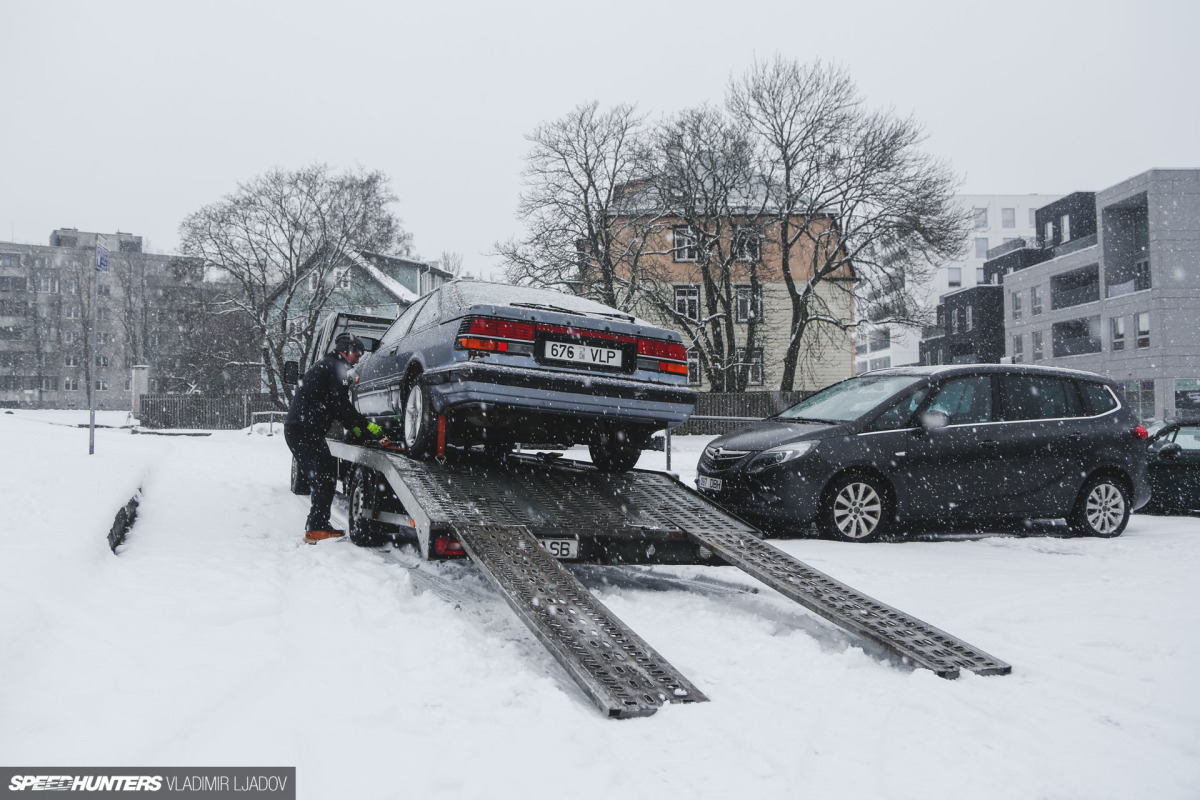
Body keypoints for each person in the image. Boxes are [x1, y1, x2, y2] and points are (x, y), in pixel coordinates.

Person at [285, 333, 382, 544]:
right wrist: (366, 427)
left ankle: (317, 525)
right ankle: (316, 528)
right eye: (357, 354)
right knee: (324, 477)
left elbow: (337, 407)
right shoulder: (335, 368)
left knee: (325, 475)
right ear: (345, 351)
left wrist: (357, 429)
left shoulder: (329, 365)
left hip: (303, 429)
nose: (358, 359)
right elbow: (341, 406)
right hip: (303, 430)